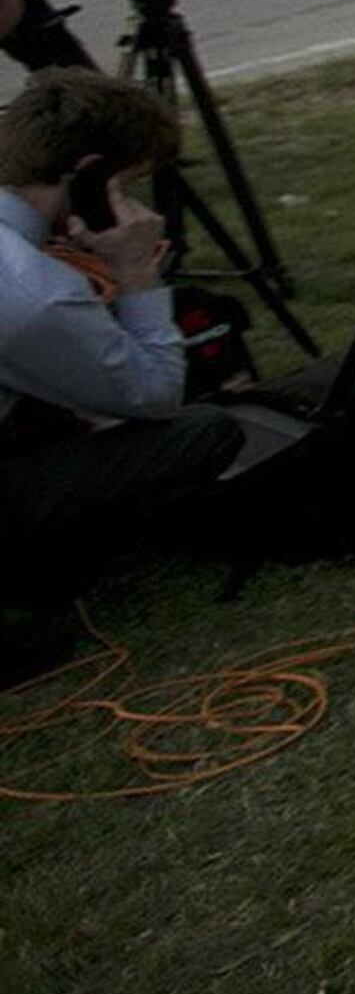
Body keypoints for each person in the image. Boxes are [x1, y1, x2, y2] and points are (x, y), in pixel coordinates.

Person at [0, 71, 237, 667]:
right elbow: (156, 394)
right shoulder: (34, 294)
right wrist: (133, 270)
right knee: (204, 432)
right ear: (89, 174)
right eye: (128, 185)